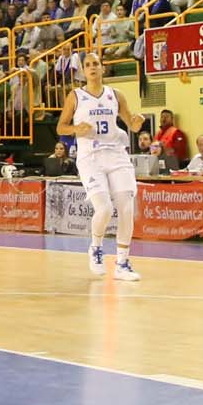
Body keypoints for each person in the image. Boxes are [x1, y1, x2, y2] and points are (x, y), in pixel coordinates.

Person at [61, 56, 146, 282]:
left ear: (102, 68)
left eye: (95, 64)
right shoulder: (75, 96)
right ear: (82, 71)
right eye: (87, 65)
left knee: (127, 209)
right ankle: (96, 247)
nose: (92, 68)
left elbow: (131, 124)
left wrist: (136, 123)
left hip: (116, 155)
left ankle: (122, 263)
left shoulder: (116, 95)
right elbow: (62, 126)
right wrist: (76, 129)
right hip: (90, 157)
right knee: (105, 209)